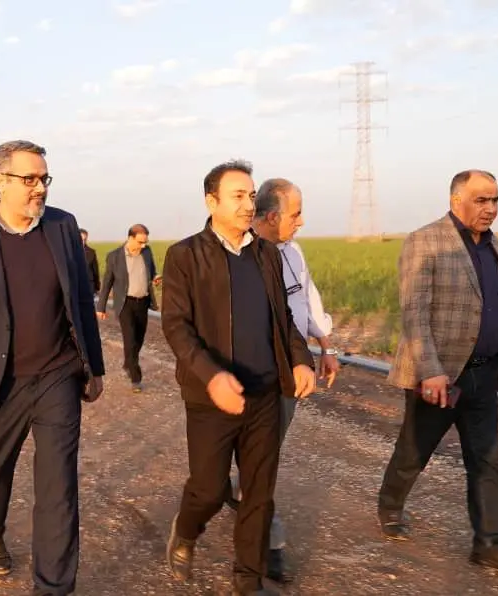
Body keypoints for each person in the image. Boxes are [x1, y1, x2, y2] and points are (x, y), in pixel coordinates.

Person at [0, 139, 105, 596]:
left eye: (44, 178)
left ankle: (53, 586)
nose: (40, 188)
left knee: (58, 487)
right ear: (0, 180)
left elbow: (80, 301)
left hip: (57, 375)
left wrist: (95, 366)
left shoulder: (63, 225)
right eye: (29, 179)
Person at [161, 159, 316, 596]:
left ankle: (248, 581)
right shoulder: (185, 255)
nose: (249, 204)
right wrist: (212, 377)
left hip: (264, 394)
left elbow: (284, 319)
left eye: (251, 195)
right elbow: (176, 326)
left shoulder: (267, 254)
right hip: (211, 398)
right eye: (238, 196)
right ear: (211, 202)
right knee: (209, 490)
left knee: (258, 495)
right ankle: (187, 530)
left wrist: (300, 360)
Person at [377, 169, 498, 581]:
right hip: (440, 376)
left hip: (484, 375)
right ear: (456, 201)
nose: (490, 208)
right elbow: (414, 312)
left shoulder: (494, 245)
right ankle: (390, 506)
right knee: (414, 450)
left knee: (487, 462)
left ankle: (491, 545)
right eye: (481, 200)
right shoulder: (426, 241)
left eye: (495, 200)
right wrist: (431, 372)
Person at [223, 178, 341, 583]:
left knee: (263, 458)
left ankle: (238, 492)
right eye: (296, 214)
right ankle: (267, 543)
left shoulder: (293, 251)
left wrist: (326, 346)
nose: (301, 222)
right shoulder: (242, 254)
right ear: (272, 216)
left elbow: (307, 299)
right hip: (250, 373)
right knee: (257, 460)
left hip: (290, 371)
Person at [96, 224, 161, 392]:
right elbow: (107, 282)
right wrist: (101, 307)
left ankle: (128, 363)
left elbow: (151, 272)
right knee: (130, 339)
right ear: (130, 238)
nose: (143, 245)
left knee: (138, 339)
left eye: (145, 242)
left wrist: (155, 277)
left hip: (143, 303)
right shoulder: (114, 256)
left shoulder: (147, 252)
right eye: (140, 242)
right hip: (125, 304)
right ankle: (135, 378)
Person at [79, 228, 100, 298]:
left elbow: (95, 271)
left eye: (85, 239)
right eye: (81, 239)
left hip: (89, 287)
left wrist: (97, 287)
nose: (83, 242)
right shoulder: (70, 252)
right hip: (76, 287)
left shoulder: (91, 252)